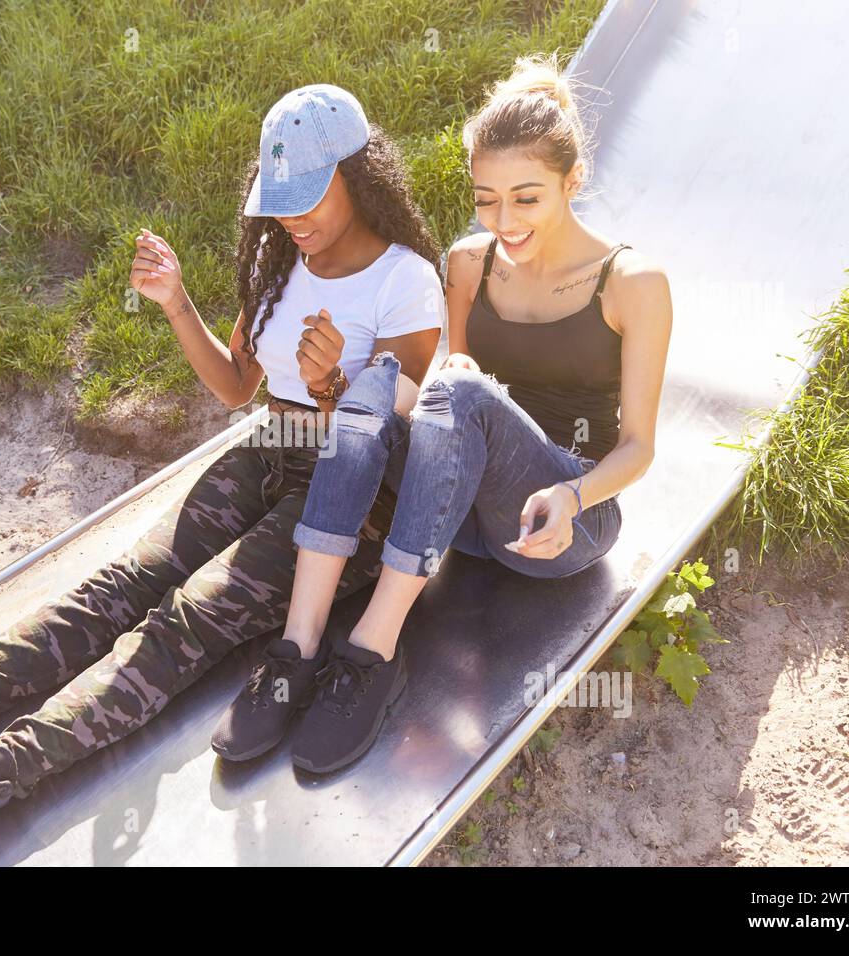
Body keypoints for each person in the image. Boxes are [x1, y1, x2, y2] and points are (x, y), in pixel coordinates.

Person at [0, 83, 445, 856]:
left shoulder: (404, 279)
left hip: (348, 497)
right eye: (279, 201)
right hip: (266, 449)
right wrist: (177, 303)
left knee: (181, 620)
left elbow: (395, 427)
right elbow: (238, 386)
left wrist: (336, 386)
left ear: (360, 173)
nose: (291, 218)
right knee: (116, 587)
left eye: (308, 197)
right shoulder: (281, 261)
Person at [213, 53, 673, 774]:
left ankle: (372, 651)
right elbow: (438, 398)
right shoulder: (466, 264)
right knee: (381, 382)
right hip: (463, 518)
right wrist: (361, 387)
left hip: (564, 521)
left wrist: (571, 493)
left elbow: (641, 447)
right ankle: (296, 648)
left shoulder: (633, 281)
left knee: (456, 391)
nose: (504, 220)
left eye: (527, 198)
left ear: (571, 182)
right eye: (486, 199)